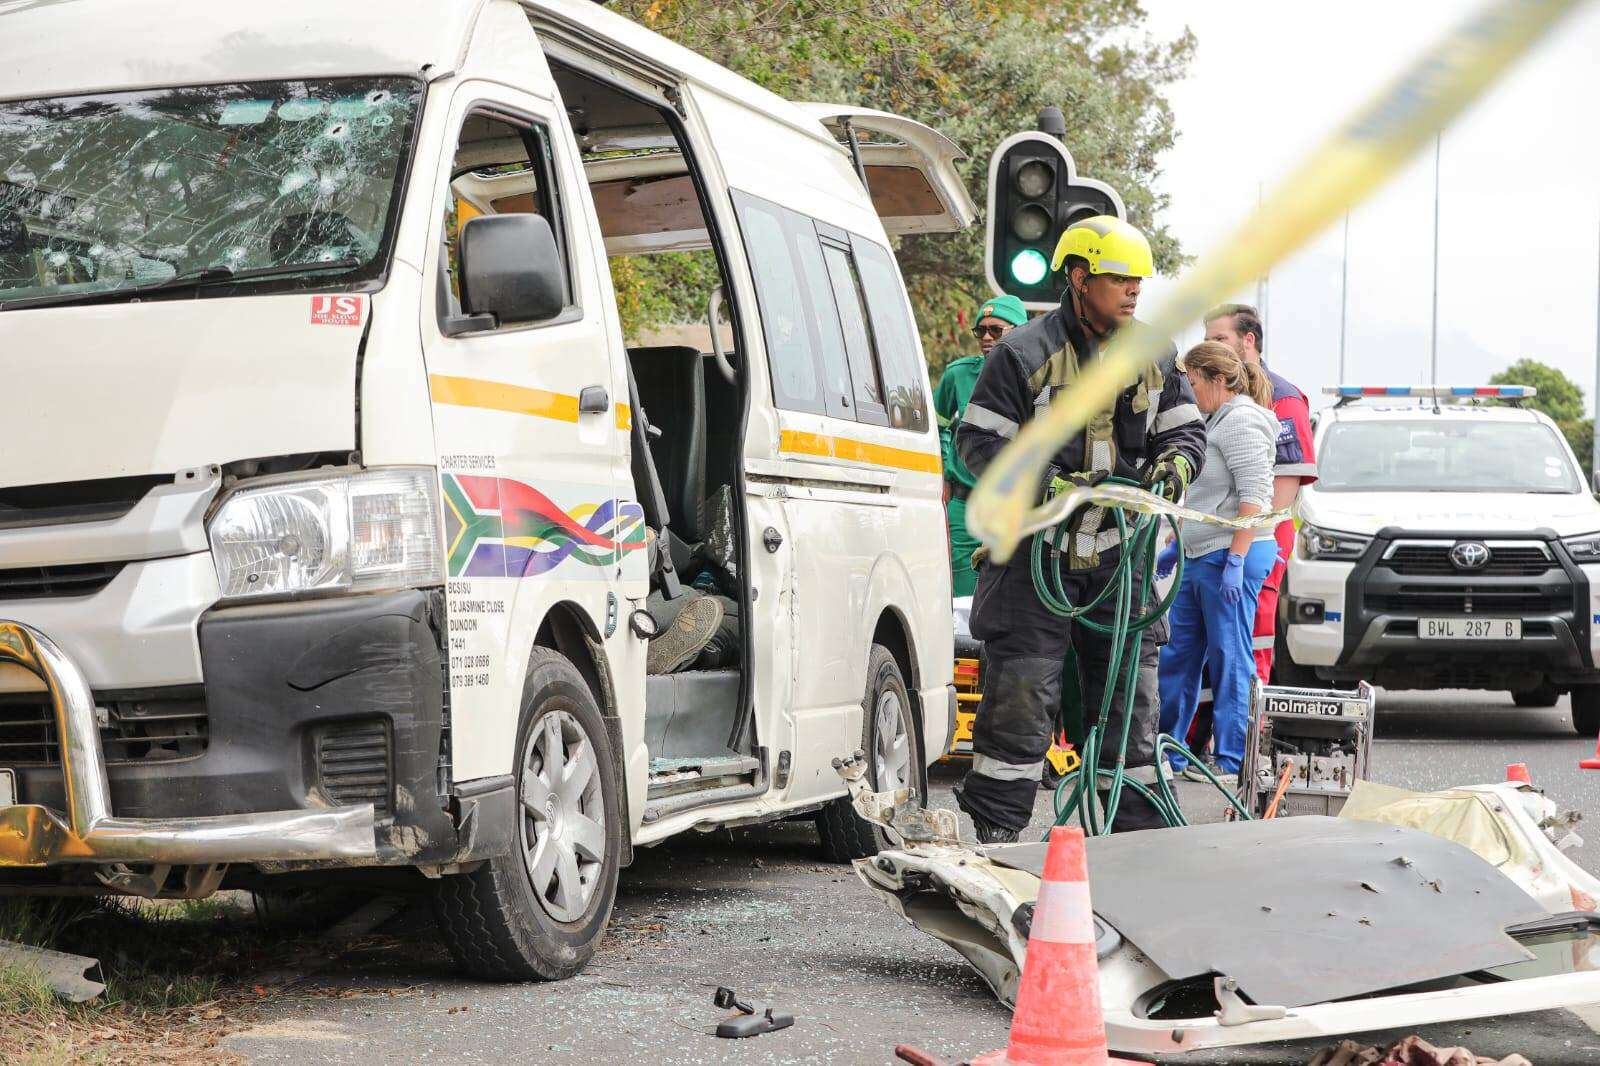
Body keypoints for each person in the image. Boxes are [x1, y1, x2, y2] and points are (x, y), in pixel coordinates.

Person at [952, 216, 1207, 842]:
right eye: (1119, 278)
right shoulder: (1022, 353)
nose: (1133, 291)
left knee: (1130, 705)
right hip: (1035, 559)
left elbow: (1184, 431)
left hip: (1121, 562)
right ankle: (997, 839)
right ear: (1078, 277)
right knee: (1020, 697)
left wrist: (1176, 466)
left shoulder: (1152, 353)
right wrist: (1045, 487)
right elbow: (977, 443)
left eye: (1138, 281)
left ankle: (1136, 844)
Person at [1155, 342, 1279, 785]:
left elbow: (1255, 498)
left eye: (1192, 380)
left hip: (1233, 554)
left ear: (1217, 380)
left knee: (1229, 656)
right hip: (1200, 553)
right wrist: (1179, 545)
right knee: (1177, 655)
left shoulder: (1242, 421)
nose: (1188, 389)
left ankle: (1231, 759)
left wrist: (1237, 559)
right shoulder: (1211, 420)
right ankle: (1170, 749)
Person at [1202, 304, 1317, 680]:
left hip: (1257, 538)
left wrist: (1245, 546)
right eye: (1207, 341)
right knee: (1209, 644)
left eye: (1220, 339)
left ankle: (1251, 728)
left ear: (1248, 340)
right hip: (1218, 538)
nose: (1212, 347)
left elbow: (1279, 495)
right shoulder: (1209, 395)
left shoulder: (1282, 399)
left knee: (1251, 639)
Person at [936, 294, 1028, 597]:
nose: (987, 337)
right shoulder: (958, 374)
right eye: (981, 331)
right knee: (963, 599)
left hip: (1015, 507)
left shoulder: (1038, 375)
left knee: (1014, 598)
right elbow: (936, 427)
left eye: (996, 330)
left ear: (1019, 330)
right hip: (966, 507)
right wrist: (945, 471)